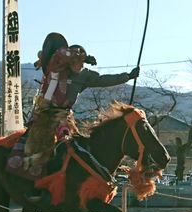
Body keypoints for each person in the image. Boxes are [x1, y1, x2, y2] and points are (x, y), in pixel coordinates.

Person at [23, 32, 140, 169]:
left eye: (80, 56)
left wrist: (127, 76)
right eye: (75, 55)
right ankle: (31, 172)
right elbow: (61, 54)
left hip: (64, 116)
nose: (77, 60)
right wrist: (82, 56)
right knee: (38, 143)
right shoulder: (57, 65)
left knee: (71, 145)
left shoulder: (85, 75)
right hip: (45, 113)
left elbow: (104, 80)